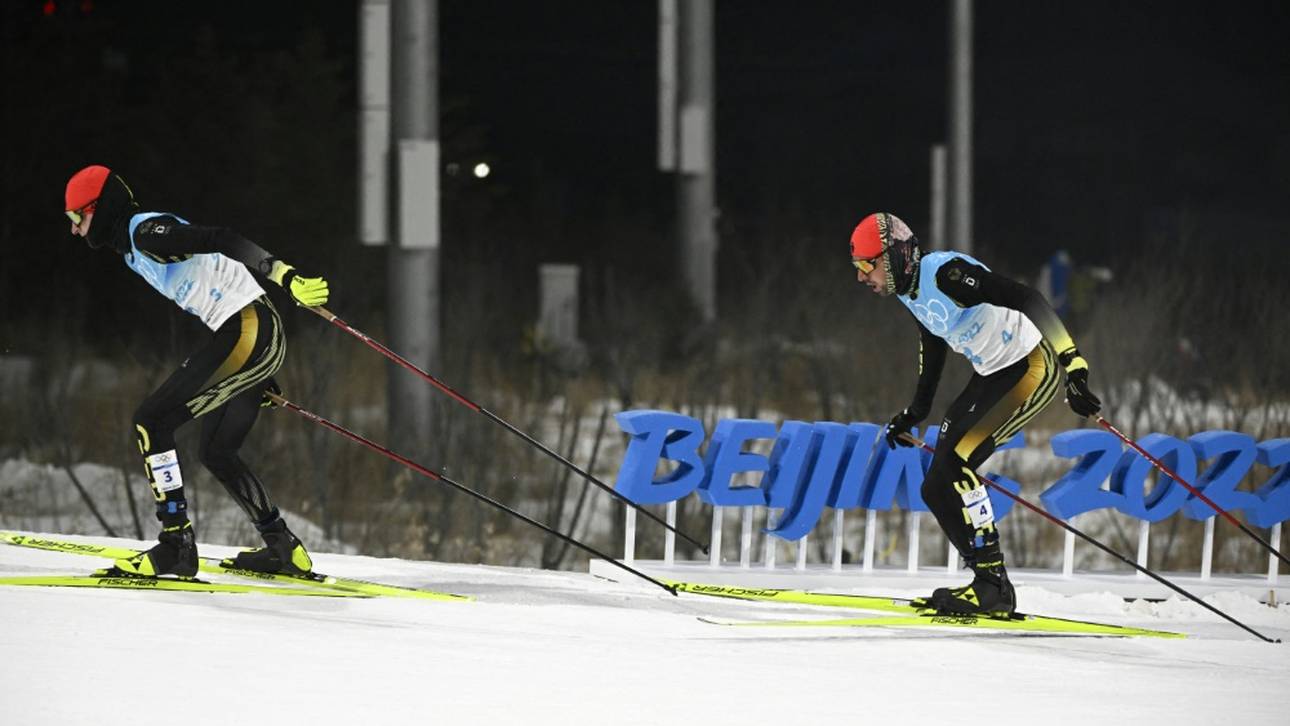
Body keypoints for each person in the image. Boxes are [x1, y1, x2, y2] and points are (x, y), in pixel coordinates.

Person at [64, 164, 330, 579]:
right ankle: (283, 548)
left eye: (76, 216)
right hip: (251, 335)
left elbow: (220, 238)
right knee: (216, 450)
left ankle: (176, 545)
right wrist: (252, 370)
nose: (75, 229)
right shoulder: (133, 249)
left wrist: (283, 274)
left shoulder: (144, 233)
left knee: (151, 421)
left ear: (98, 208)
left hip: (249, 329)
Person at [849, 212, 1101, 615]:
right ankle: (987, 580)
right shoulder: (908, 291)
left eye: (867, 265)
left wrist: (1073, 364)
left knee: (957, 462)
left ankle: (993, 585)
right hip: (992, 374)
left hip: (1031, 367)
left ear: (895, 256)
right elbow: (933, 344)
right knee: (935, 487)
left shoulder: (946, 274)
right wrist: (915, 412)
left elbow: (1028, 299)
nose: (862, 277)